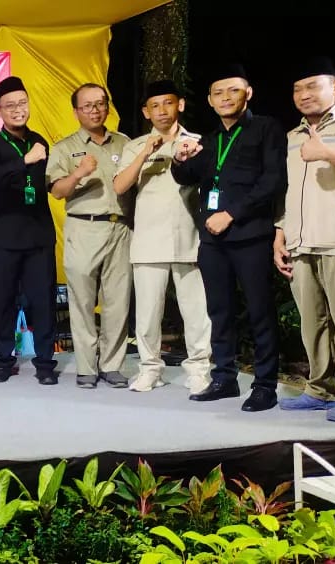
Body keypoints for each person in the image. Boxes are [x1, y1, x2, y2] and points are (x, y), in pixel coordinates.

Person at [171, 63, 286, 412]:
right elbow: (187, 177)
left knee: (260, 312)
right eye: (218, 93)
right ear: (209, 100)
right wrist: (179, 159)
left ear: (247, 93)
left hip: (250, 235)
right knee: (219, 311)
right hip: (213, 241)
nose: (225, 98)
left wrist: (231, 214)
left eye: (233, 90)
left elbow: (272, 181)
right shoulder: (209, 140)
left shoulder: (266, 128)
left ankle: (265, 386)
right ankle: (224, 378)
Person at [113, 80, 212, 394]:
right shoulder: (135, 146)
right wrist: (145, 153)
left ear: (179, 104)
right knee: (147, 313)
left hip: (189, 237)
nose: (162, 111)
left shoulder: (197, 142)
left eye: (168, 103)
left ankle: (199, 369)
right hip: (148, 239)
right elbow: (120, 186)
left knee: (196, 311)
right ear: (146, 112)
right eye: (154, 106)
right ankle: (149, 369)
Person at [275, 56, 335, 422]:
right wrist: (281, 233)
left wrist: (327, 153)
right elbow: (291, 190)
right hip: (301, 242)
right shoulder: (293, 136)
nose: (304, 94)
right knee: (312, 322)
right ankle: (321, 389)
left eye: (312, 86)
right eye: (297, 89)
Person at [47, 83, 132, 389]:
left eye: (100, 103)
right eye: (87, 106)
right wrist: (79, 173)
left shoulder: (124, 143)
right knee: (82, 301)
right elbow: (57, 191)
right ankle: (86, 366)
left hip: (120, 227)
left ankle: (112, 365)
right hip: (83, 227)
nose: (95, 110)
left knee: (118, 301)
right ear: (76, 112)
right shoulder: (64, 147)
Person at [0, 76, 59, 385]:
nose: (17, 109)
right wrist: (25, 160)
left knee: (43, 301)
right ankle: (3, 360)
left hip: (38, 236)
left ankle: (45, 362)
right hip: (3, 238)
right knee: (3, 301)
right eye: (9, 105)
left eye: (22, 103)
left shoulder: (40, 140)